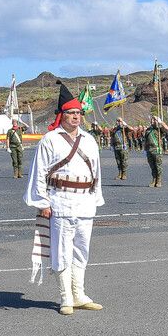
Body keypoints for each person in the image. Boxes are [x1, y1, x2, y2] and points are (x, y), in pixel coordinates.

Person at [26, 84, 105, 315]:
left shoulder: (89, 140)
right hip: (60, 200)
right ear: (62, 115)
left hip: (85, 201)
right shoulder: (50, 139)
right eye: (72, 113)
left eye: (79, 113)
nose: (76, 117)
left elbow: (96, 172)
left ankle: (79, 293)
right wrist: (42, 203)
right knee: (61, 250)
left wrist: (95, 198)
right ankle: (65, 297)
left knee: (82, 249)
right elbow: (39, 172)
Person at [144, 116, 167, 187]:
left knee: (158, 166)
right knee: (152, 166)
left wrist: (161, 122)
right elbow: (146, 140)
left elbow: (167, 128)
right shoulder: (148, 129)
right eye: (151, 120)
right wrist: (145, 149)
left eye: (154, 120)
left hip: (157, 149)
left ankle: (159, 180)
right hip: (149, 150)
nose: (152, 121)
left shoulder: (159, 129)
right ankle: (154, 180)